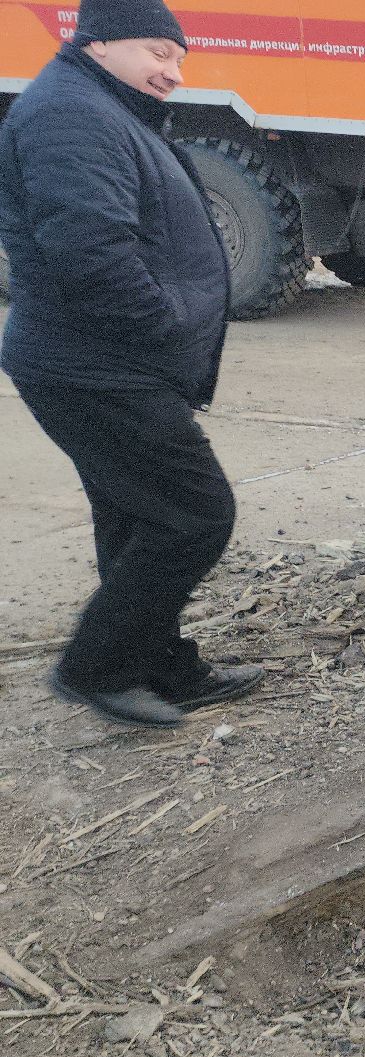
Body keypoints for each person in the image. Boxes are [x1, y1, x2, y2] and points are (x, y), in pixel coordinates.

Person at [0, 0, 262, 731]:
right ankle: (96, 668)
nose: (173, 72)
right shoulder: (70, 116)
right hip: (95, 365)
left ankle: (158, 664)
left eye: (178, 58)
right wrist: (166, 328)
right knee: (195, 514)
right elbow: (90, 252)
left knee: (136, 513)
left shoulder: (98, 107)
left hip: (106, 361)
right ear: (98, 44)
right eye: (157, 52)